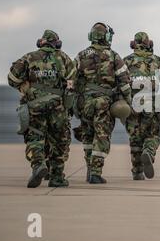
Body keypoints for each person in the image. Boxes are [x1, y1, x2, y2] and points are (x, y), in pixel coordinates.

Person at [8, 30, 75, 188]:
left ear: (41, 42)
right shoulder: (64, 58)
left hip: (35, 105)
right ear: (57, 43)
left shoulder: (29, 57)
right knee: (60, 140)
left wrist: (23, 86)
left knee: (35, 137)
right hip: (58, 107)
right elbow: (72, 83)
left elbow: (12, 78)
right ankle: (57, 177)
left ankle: (38, 165)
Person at [73, 22, 131, 184]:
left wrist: (73, 101)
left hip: (84, 103)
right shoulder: (113, 56)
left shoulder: (80, 55)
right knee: (102, 135)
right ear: (106, 37)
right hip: (104, 103)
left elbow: (70, 79)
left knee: (87, 134)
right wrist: (127, 101)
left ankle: (89, 169)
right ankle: (96, 172)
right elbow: (125, 82)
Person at [123, 32, 160, 180]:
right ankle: (149, 152)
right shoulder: (157, 60)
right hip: (152, 102)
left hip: (133, 102)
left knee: (135, 137)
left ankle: (137, 171)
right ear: (148, 44)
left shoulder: (126, 61)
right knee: (153, 134)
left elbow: (120, 79)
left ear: (134, 44)